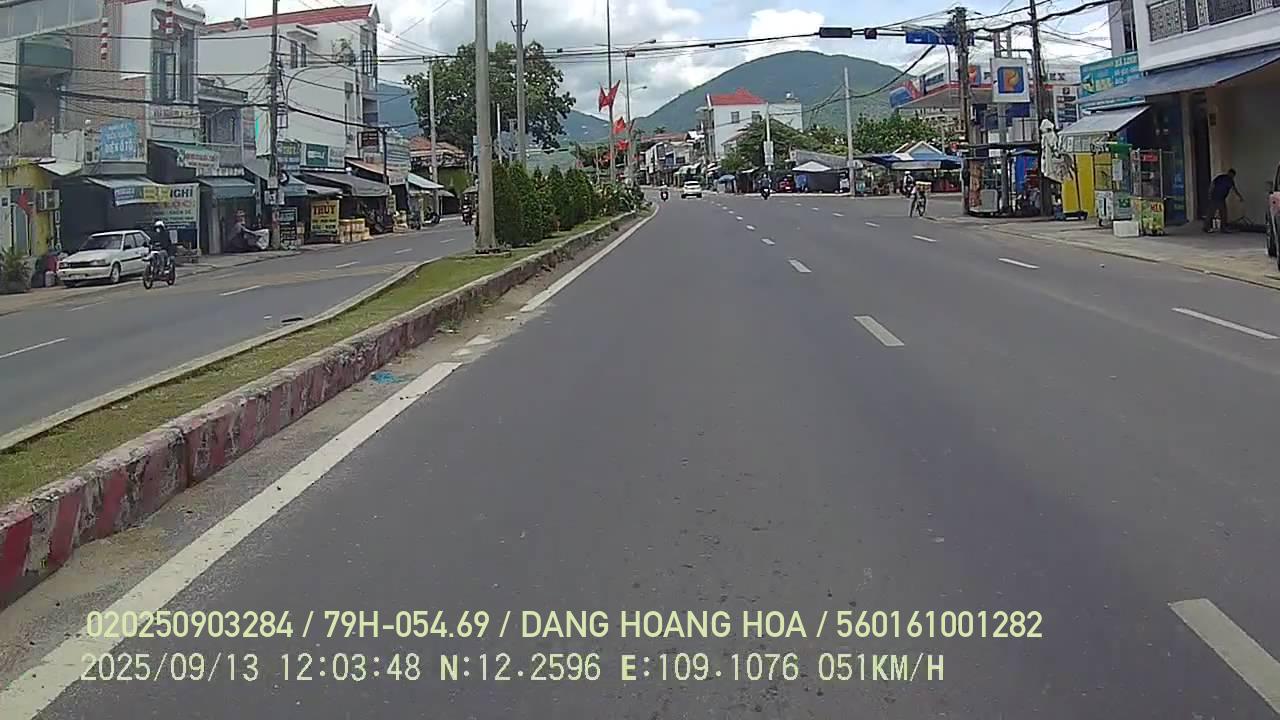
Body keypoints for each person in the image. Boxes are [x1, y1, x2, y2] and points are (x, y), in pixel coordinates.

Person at [1203, 168, 1243, 232]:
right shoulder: (1221, 177)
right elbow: (1212, 184)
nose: (1232, 176)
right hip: (1215, 197)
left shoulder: (1230, 180)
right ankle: (1206, 227)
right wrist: (1210, 193)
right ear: (1229, 173)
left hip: (1221, 199)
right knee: (1211, 213)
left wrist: (1239, 196)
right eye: (1232, 175)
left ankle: (1223, 227)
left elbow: (1234, 189)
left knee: (1223, 213)